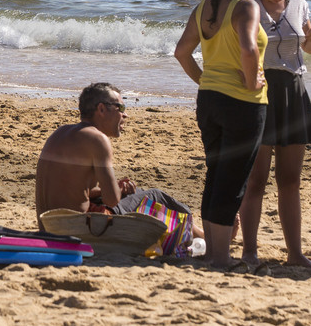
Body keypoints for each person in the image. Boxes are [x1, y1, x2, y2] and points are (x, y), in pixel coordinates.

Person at [172, 0, 268, 269]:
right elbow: (248, 48)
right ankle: (222, 257)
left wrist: (205, 81)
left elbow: (181, 52)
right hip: (242, 103)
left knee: (216, 175)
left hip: (209, 100)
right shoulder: (245, 6)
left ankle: (215, 253)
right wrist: (253, 79)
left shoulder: (205, 6)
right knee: (233, 180)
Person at [238, 0, 311, 268]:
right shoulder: (248, 4)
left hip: (293, 90)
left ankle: (295, 254)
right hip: (261, 91)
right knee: (256, 180)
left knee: (290, 180)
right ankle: (249, 251)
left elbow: (310, 47)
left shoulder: (299, 1)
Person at [34, 83, 198, 247]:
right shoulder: (97, 139)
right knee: (156, 196)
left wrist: (118, 189)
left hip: (49, 228)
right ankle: (202, 237)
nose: (125, 115)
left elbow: (74, 190)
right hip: (79, 230)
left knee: (135, 193)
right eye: (120, 107)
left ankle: (197, 235)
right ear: (102, 109)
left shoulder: (59, 133)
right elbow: (112, 200)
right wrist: (117, 190)